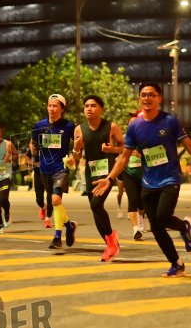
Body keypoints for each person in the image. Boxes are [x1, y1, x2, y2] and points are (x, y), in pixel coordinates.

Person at [92, 83, 191, 277]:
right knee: (155, 227)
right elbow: (125, 157)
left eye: (151, 95)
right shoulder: (135, 126)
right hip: (148, 182)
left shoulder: (170, 121)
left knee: (162, 217)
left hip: (170, 178)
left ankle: (184, 227)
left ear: (159, 98)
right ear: (139, 98)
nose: (146, 98)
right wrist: (110, 178)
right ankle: (176, 264)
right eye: (143, 95)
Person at [72, 95, 125, 262]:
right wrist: (76, 148)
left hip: (107, 173)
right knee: (95, 209)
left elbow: (124, 148)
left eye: (93, 105)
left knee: (96, 204)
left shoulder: (111, 127)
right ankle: (110, 244)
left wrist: (112, 150)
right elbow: (76, 157)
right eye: (86, 105)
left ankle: (111, 238)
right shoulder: (79, 129)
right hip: (91, 173)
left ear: (101, 109)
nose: (89, 108)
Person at [31, 94, 77, 249]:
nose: (51, 108)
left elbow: (78, 144)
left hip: (60, 169)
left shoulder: (69, 126)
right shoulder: (39, 126)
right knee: (55, 203)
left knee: (56, 200)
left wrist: (73, 156)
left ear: (62, 109)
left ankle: (57, 237)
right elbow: (33, 143)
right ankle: (69, 226)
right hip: (45, 170)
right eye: (49, 105)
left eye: (55, 106)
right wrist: (33, 149)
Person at [121, 111, 147, 240]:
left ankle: (141, 218)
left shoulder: (144, 138)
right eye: (130, 124)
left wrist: (139, 155)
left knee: (141, 201)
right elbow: (118, 152)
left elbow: (151, 155)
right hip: (128, 173)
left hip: (142, 174)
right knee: (132, 199)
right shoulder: (123, 139)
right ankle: (135, 229)